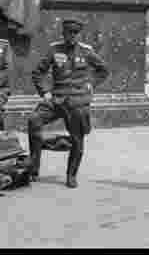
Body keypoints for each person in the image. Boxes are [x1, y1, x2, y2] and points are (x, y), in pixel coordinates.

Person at [27, 18, 110, 188]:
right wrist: (45, 92)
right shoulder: (54, 50)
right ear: (63, 34)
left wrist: (91, 83)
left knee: (77, 139)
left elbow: (103, 70)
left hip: (78, 101)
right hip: (57, 98)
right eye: (68, 33)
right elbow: (38, 72)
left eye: (75, 33)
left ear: (79, 34)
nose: (71, 36)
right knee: (34, 120)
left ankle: (71, 175)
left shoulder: (87, 52)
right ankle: (33, 169)